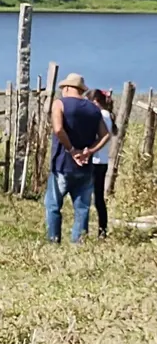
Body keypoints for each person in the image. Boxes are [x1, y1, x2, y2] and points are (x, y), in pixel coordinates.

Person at [45, 73, 110, 244]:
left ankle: (54, 241)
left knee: (53, 206)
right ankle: (79, 244)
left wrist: (72, 150)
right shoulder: (94, 109)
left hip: (62, 164)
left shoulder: (59, 104)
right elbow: (105, 135)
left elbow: (58, 129)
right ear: (81, 90)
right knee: (82, 208)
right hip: (85, 167)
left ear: (66, 88)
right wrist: (89, 151)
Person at [85, 88, 117, 238]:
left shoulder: (101, 116)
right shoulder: (106, 115)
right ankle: (102, 230)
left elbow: (101, 137)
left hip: (96, 160)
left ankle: (101, 230)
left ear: (96, 102)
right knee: (98, 198)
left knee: (94, 197)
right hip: (101, 160)